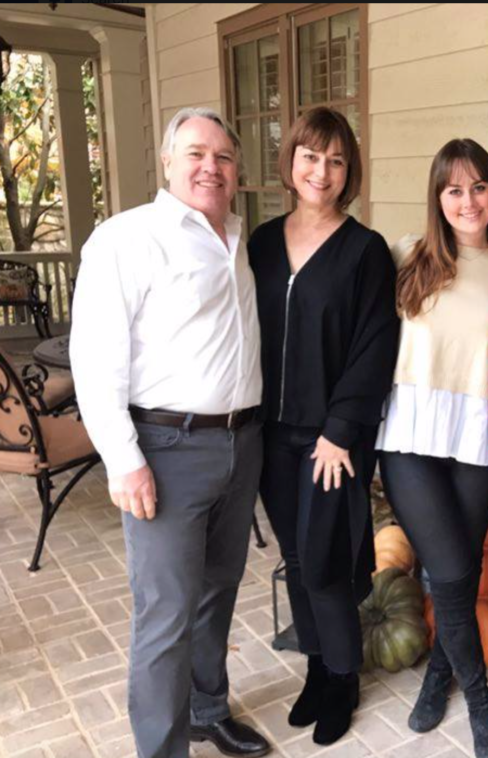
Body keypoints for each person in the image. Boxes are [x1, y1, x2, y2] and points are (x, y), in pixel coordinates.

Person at [70, 107, 269, 758]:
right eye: (195, 154)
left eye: (223, 156)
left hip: (241, 443)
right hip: (167, 450)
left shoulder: (236, 235)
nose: (211, 166)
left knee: (218, 592)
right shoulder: (127, 239)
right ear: (166, 162)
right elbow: (95, 358)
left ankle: (207, 712)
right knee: (166, 614)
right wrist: (123, 459)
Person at [248, 107, 400, 746]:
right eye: (311, 156)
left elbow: (375, 345)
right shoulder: (260, 243)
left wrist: (340, 429)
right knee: (294, 556)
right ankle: (316, 667)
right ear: (291, 162)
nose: (322, 170)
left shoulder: (365, 251)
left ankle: (343, 676)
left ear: (349, 172)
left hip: (330, 440)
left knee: (326, 561)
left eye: (336, 160)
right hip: (269, 434)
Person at [376, 138, 488, 758]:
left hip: (479, 435)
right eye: (454, 189)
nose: (468, 200)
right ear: (438, 198)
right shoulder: (406, 255)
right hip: (409, 434)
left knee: (459, 568)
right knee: (453, 569)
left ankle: (439, 674)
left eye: (478, 186)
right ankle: (480, 701)